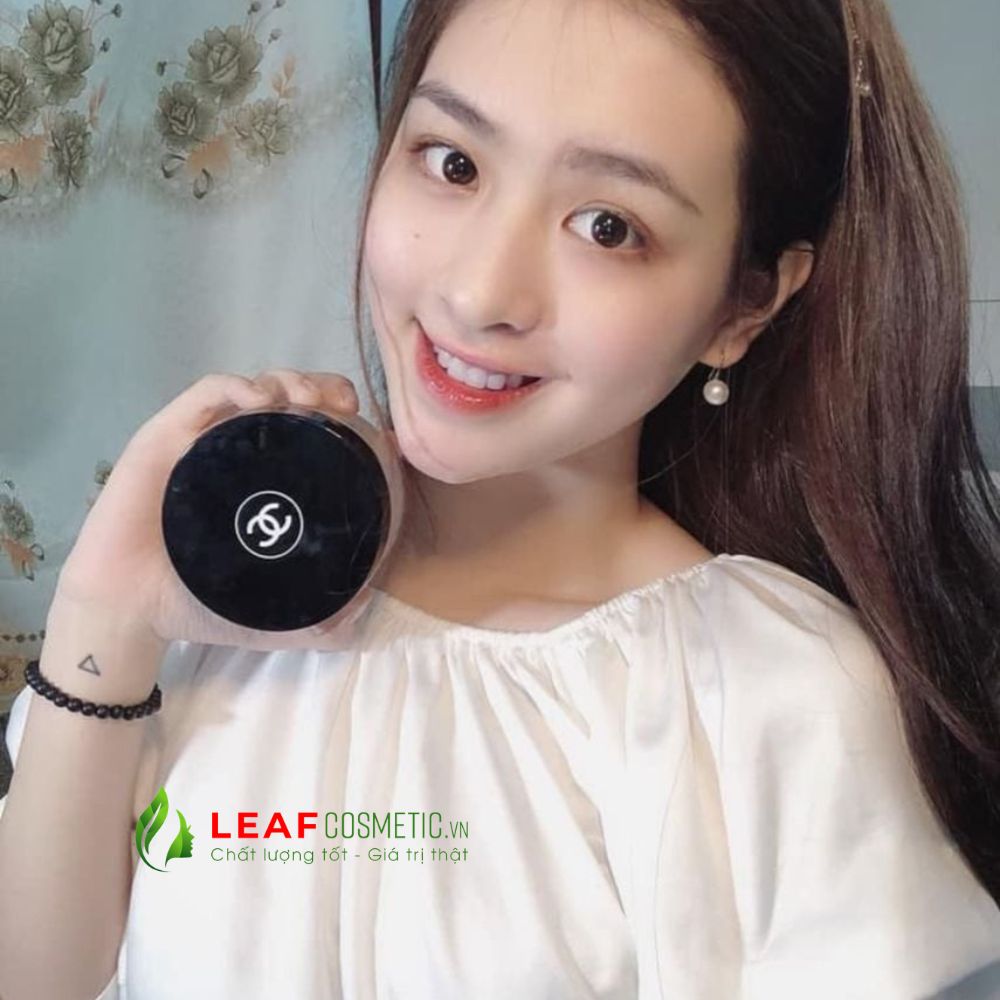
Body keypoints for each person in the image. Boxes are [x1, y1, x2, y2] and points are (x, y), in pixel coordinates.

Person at [1, 0, 999, 996]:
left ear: (744, 306)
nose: (479, 293)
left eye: (607, 227)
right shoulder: (224, 594)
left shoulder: (767, 695)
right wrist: (106, 615)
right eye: (453, 164)